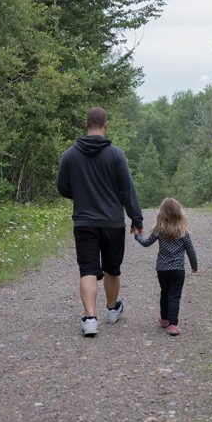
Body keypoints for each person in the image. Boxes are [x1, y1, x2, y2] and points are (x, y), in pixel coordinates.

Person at [57, 106, 144, 337]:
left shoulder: (70, 154)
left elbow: (62, 187)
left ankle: (90, 319)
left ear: (86, 125)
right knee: (112, 269)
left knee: (87, 270)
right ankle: (112, 309)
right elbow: (127, 190)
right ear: (106, 124)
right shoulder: (116, 155)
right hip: (112, 223)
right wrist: (136, 218)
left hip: (84, 222)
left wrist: (80, 195)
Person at [134, 197, 198, 336]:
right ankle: (173, 325)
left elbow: (146, 243)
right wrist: (194, 266)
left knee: (164, 292)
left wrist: (137, 236)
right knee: (174, 296)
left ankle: (164, 319)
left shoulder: (159, 230)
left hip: (162, 270)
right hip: (178, 270)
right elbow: (191, 251)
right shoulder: (183, 232)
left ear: (161, 213)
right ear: (179, 213)